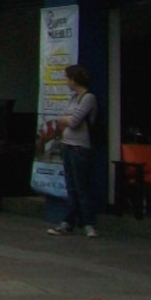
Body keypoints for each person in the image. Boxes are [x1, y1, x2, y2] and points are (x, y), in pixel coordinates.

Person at [49, 65, 101, 239]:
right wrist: (68, 119)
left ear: (74, 80)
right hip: (67, 145)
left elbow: (73, 121)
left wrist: (68, 119)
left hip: (81, 147)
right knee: (71, 186)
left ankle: (89, 223)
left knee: (81, 186)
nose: (66, 82)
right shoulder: (73, 99)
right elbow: (63, 119)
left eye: (68, 79)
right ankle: (69, 221)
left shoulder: (88, 98)